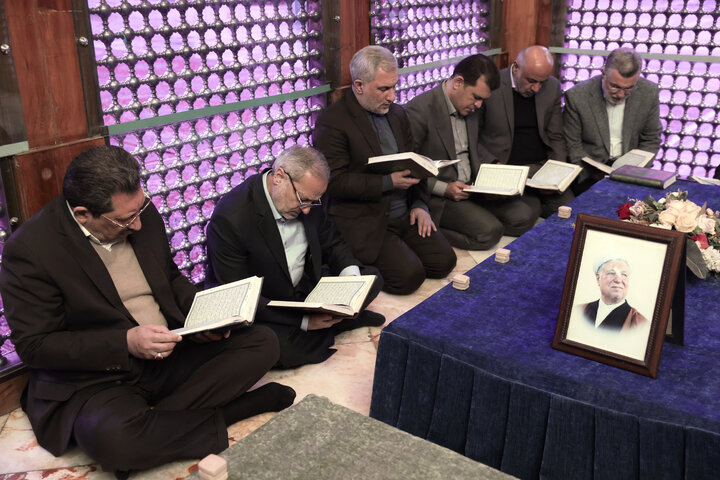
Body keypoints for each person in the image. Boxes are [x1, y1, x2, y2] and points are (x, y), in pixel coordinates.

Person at [0, 146, 295, 476]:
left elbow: (168, 276)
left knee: (262, 342)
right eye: (125, 220)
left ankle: (153, 427)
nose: (139, 224)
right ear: (83, 215)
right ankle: (228, 412)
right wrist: (125, 342)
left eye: (141, 209)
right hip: (100, 377)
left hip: (170, 348)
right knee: (116, 442)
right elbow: (36, 346)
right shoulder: (31, 250)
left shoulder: (137, 210)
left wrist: (201, 316)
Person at [205, 146, 385, 368]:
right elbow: (239, 296)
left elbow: (333, 242)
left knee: (372, 278)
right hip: (267, 303)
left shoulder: (308, 196)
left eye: (313, 201)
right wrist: (303, 320)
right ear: (279, 177)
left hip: (303, 288)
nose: (307, 209)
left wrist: (352, 283)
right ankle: (334, 325)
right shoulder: (231, 217)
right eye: (303, 200)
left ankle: (326, 325)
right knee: (278, 349)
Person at [313, 45, 456, 294]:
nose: (392, 96)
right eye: (383, 89)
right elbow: (333, 182)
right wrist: (388, 182)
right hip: (366, 220)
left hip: (404, 212)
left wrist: (420, 205)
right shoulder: (333, 121)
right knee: (409, 278)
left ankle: (400, 250)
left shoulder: (397, 114)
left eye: (394, 87)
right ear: (359, 86)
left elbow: (415, 162)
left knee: (444, 262)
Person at [406, 53, 541, 250]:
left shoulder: (470, 108)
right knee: (489, 232)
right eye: (476, 97)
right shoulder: (420, 110)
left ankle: (479, 219)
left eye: (483, 100)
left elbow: (473, 146)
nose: (479, 105)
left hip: (474, 186)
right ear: (458, 83)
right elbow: (409, 168)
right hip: (441, 194)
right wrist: (444, 188)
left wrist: (493, 168)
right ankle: (432, 229)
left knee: (525, 215)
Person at [476, 45, 574, 218]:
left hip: (540, 168)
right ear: (516, 68)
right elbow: (472, 139)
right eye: (531, 81)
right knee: (525, 215)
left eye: (542, 82)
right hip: (506, 168)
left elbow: (556, 136)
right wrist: (493, 163)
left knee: (570, 209)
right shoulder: (491, 85)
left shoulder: (552, 86)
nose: (536, 88)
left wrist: (557, 174)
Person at [564, 47, 662, 193]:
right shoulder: (577, 96)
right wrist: (593, 174)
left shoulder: (649, 92)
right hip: (591, 173)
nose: (621, 94)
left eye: (628, 88)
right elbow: (573, 145)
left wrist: (635, 171)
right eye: (615, 87)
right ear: (604, 73)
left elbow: (651, 139)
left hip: (631, 171)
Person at [573, 256, 648, 331]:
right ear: (598, 278)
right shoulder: (578, 311)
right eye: (612, 273)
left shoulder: (640, 323)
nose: (618, 280)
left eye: (624, 275)